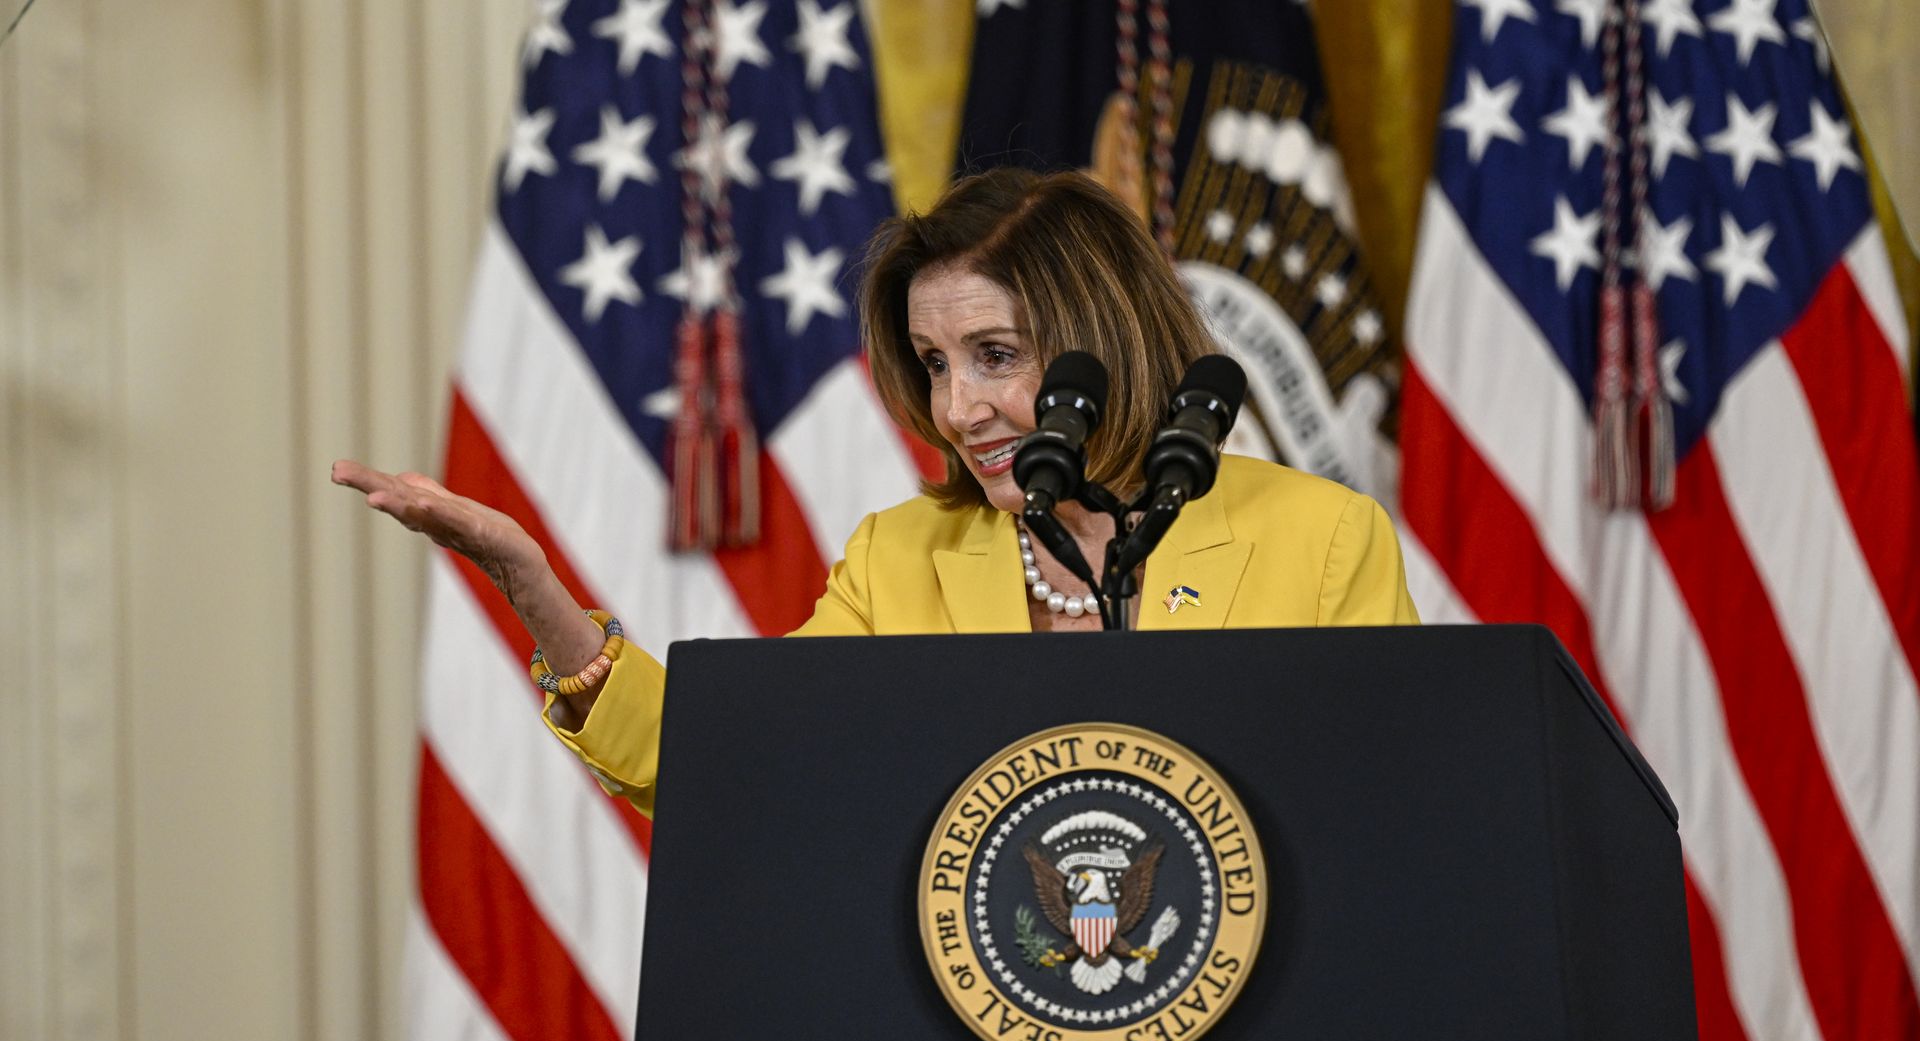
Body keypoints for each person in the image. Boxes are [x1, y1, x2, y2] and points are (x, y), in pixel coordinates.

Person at [333, 168, 1419, 817]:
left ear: (1104, 340)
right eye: (936, 365)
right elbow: (734, 767)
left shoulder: (1319, 537)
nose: (957, 409)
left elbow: (1388, 813)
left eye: (996, 355)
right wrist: (529, 581)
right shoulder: (900, 559)